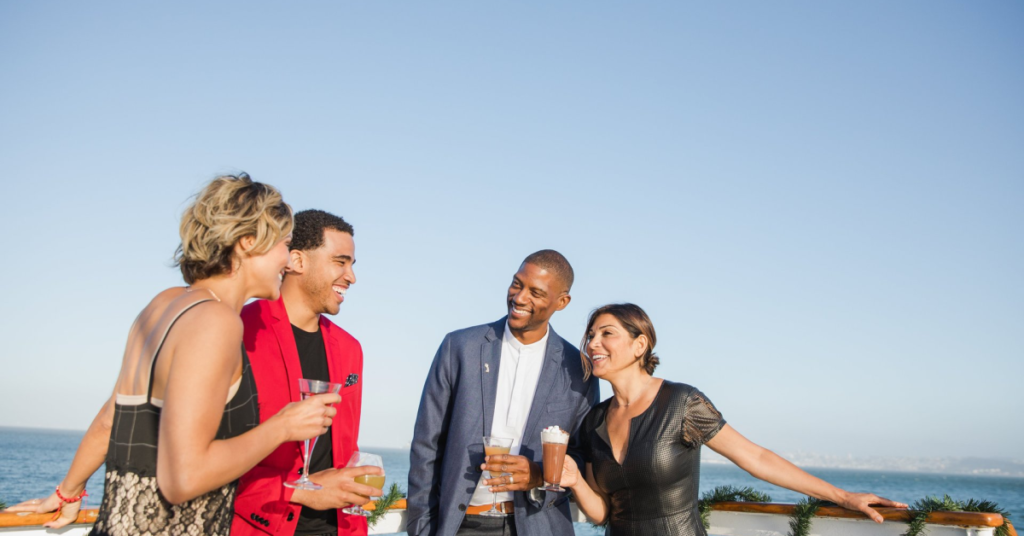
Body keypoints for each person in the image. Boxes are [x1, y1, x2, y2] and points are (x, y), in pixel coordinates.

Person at [5, 174, 339, 535]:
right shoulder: (217, 322)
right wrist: (282, 427)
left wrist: (68, 492)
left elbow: (110, 419)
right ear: (246, 242)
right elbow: (184, 478)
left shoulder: (163, 305)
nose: (288, 260)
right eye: (283, 245)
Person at [560, 303, 908, 536]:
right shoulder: (593, 422)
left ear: (640, 345)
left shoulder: (681, 402)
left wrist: (843, 497)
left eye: (607, 333)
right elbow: (603, 514)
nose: (593, 343)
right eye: (590, 335)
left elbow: (754, 457)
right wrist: (575, 480)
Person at [407, 250, 601, 536]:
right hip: (462, 526)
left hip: (539, 525)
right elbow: (427, 445)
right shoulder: (459, 348)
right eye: (517, 283)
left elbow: (581, 455)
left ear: (562, 302)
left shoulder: (579, 369)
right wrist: (422, 530)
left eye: (535, 292)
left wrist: (538, 475)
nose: (520, 297)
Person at [231, 209, 383, 536]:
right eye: (340, 262)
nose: (351, 276)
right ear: (297, 261)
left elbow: (345, 449)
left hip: (339, 527)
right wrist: (303, 491)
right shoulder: (240, 329)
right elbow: (211, 457)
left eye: (352, 264)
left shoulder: (350, 349)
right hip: (261, 525)